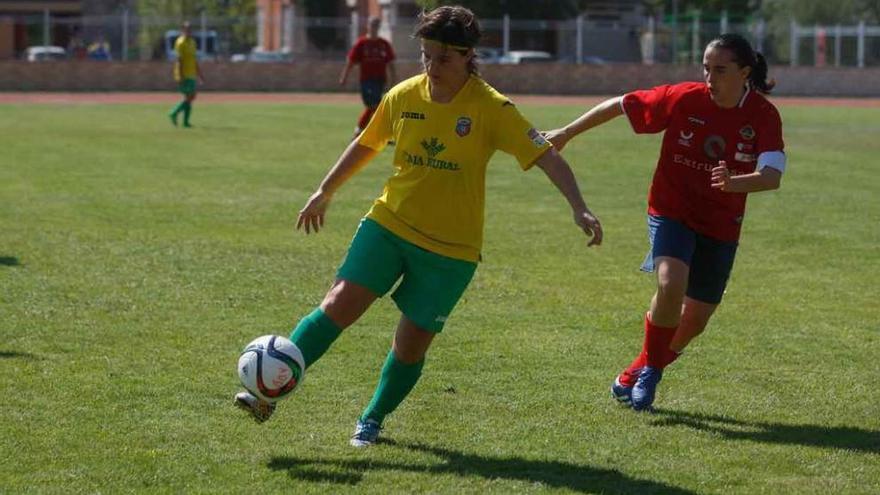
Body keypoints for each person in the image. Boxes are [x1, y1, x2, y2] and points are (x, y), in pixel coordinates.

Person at [235, 5, 603, 446]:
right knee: (338, 304)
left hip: (451, 249)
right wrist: (324, 190)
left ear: (468, 55)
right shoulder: (404, 95)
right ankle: (267, 394)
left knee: (410, 345)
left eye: (443, 58)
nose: (431, 67)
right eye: (426, 55)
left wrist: (578, 206)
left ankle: (372, 419)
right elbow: (366, 143)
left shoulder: (492, 108)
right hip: (389, 224)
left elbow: (545, 154)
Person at [544, 33, 786, 412]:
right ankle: (652, 374)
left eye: (720, 70)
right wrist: (566, 133)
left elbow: (772, 176)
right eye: (706, 68)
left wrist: (733, 183)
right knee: (671, 284)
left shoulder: (763, 115)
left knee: (694, 323)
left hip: (722, 224)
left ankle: (637, 370)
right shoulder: (685, 97)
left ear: (745, 71)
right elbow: (622, 105)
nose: (710, 77)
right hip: (671, 210)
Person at [339, 16, 396, 138]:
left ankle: (359, 132)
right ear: (368, 26)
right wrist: (344, 77)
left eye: (377, 25)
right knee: (377, 105)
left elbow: (391, 63)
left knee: (372, 107)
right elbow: (350, 61)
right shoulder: (362, 43)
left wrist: (393, 80)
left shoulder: (384, 44)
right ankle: (383, 133)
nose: (374, 28)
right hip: (366, 81)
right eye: (372, 25)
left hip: (380, 80)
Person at [168, 22, 205, 128]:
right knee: (190, 96)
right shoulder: (180, 43)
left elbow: (194, 59)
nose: (188, 31)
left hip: (191, 73)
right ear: (182, 30)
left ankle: (184, 122)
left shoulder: (192, 42)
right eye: (186, 29)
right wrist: (180, 75)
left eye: (190, 29)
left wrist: (200, 74)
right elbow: (179, 60)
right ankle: (174, 113)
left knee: (190, 97)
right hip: (184, 73)